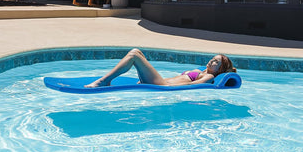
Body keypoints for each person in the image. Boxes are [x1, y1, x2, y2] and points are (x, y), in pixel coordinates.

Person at [85, 48, 236, 88]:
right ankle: (106, 80)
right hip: (161, 81)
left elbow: (189, 86)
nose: (211, 61)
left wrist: (165, 88)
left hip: (162, 85)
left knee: (134, 55)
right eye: (212, 58)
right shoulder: (201, 71)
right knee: (137, 52)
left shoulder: (208, 77)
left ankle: (103, 81)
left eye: (216, 62)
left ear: (220, 70)